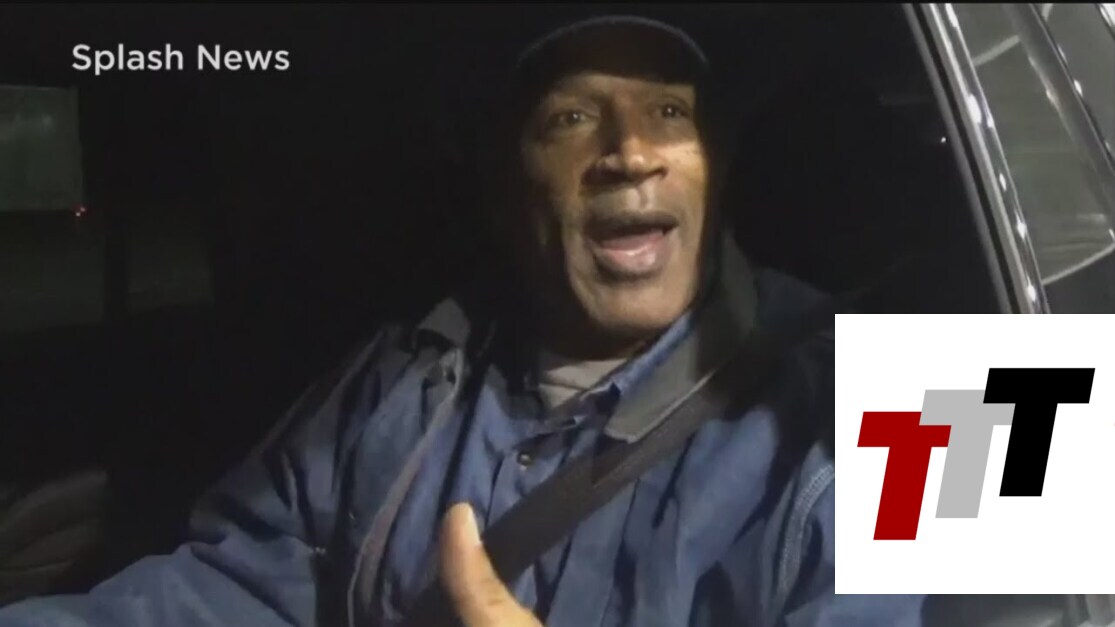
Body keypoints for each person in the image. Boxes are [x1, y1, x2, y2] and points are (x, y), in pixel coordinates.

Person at [0, 15, 926, 627]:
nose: (630, 151)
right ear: (504, 187)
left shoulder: (921, 403)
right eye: (571, 116)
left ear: (713, 164)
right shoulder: (407, 370)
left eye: (668, 111)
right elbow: (236, 588)